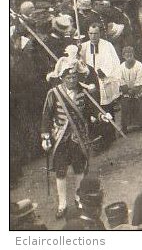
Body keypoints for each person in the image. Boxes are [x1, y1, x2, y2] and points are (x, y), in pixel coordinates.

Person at [41, 60, 102, 219]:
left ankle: (78, 198)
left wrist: (101, 115)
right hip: (60, 138)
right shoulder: (53, 93)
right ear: (62, 78)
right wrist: (45, 137)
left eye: (74, 76)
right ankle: (62, 204)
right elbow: (46, 117)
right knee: (60, 171)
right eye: (68, 77)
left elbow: (91, 110)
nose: (72, 80)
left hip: (78, 137)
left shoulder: (84, 91)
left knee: (79, 169)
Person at [79, 23, 122, 148]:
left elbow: (113, 61)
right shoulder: (84, 46)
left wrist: (104, 71)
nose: (93, 36)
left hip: (104, 79)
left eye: (96, 34)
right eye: (91, 33)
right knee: (94, 108)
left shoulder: (107, 45)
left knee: (106, 107)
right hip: (92, 81)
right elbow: (82, 62)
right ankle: (99, 137)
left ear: (100, 34)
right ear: (88, 33)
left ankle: (110, 136)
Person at [117, 46, 142, 133]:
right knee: (125, 103)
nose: (129, 57)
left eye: (131, 55)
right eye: (126, 55)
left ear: (134, 55)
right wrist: (126, 89)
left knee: (139, 101)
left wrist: (134, 90)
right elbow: (120, 79)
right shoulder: (121, 67)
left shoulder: (139, 66)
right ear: (123, 56)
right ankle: (125, 125)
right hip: (126, 90)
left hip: (137, 90)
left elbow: (140, 79)